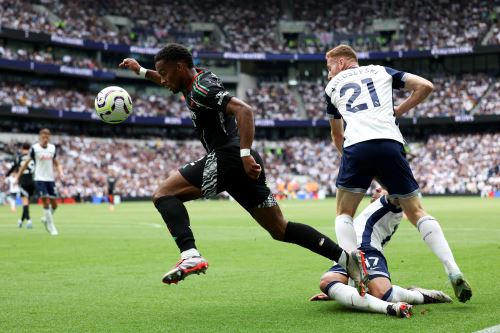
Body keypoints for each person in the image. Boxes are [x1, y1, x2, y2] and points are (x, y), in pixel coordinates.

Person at [119, 43, 367, 289]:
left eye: (164, 73)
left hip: (230, 157)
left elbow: (244, 110)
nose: (162, 80)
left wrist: (244, 154)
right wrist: (140, 70)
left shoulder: (202, 89)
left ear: (180, 67)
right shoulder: (192, 80)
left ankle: (190, 254)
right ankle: (347, 260)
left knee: (163, 194)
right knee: (280, 229)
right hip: (239, 163)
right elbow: (168, 80)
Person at [324, 44, 471, 302]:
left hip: (356, 146)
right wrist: (396, 112)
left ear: (343, 63)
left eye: (329, 68)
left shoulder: (332, 88)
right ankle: (453, 269)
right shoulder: (382, 71)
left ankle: (355, 273)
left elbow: (337, 135)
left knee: (343, 213)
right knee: (416, 212)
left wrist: (350, 161)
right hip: (390, 143)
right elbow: (425, 86)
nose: (328, 75)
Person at [309, 190, 452, 318]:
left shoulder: (391, 203)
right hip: (349, 249)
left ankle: (419, 296)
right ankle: (354, 293)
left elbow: (401, 193)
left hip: (366, 249)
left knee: (382, 293)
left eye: (383, 186)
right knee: (327, 282)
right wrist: (341, 293)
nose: (376, 188)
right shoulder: (382, 207)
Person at [16, 129, 64, 236]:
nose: (45, 138)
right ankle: (51, 227)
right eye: (43, 136)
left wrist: (60, 172)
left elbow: (56, 162)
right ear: (40, 137)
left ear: (49, 137)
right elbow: (25, 163)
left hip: (50, 179)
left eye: (47, 136)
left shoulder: (52, 148)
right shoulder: (35, 148)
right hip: (39, 179)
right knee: (45, 201)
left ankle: (45, 218)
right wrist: (18, 176)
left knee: (54, 205)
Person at [6, 143, 35, 228]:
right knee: (26, 203)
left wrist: (7, 175)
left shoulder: (19, 157)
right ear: (29, 148)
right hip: (33, 182)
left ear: (22, 148)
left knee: (25, 203)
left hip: (23, 182)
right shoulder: (32, 158)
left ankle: (29, 221)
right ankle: (21, 221)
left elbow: (13, 167)